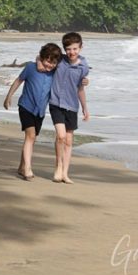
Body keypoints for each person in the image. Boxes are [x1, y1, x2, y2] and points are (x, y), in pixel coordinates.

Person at [3, 43, 63, 180]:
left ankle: (21, 166)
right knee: (30, 136)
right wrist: (8, 97)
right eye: (47, 61)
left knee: (32, 138)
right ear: (42, 58)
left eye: (53, 62)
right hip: (26, 106)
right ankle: (27, 170)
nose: (50, 65)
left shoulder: (54, 72)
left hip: (40, 111)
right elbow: (19, 81)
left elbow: (65, 59)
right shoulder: (31, 67)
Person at [49, 32, 90, 184]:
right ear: (64, 49)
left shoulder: (83, 68)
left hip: (72, 106)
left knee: (69, 141)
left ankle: (65, 173)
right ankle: (58, 166)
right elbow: (41, 58)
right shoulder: (59, 59)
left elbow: (80, 89)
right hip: (56, 103)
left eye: (74, 49)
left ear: (80, 48)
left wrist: (85, 108)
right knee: (61, 136)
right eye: (68, 49)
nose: (71, 52)